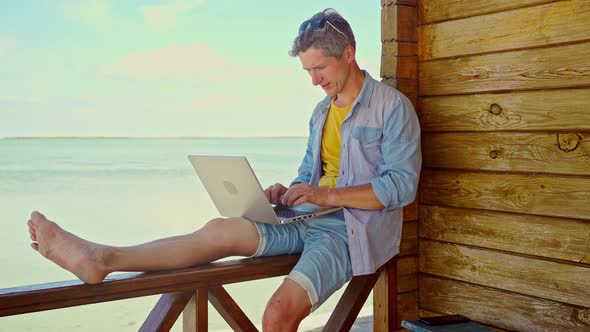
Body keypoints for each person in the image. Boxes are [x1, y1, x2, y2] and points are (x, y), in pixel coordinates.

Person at [27, 8, 421, 331]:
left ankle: (102, 259)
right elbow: (308, 174)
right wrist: (290, 192)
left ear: (349, 54)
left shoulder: (391, 107)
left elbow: (400, 187)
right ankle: (102, 258)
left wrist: (325, 196)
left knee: (276, 314)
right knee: (219, 230)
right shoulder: (320, 113)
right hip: (308, 216)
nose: (314, 80)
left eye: (320, 69)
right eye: (307, 72)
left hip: (352, 230)